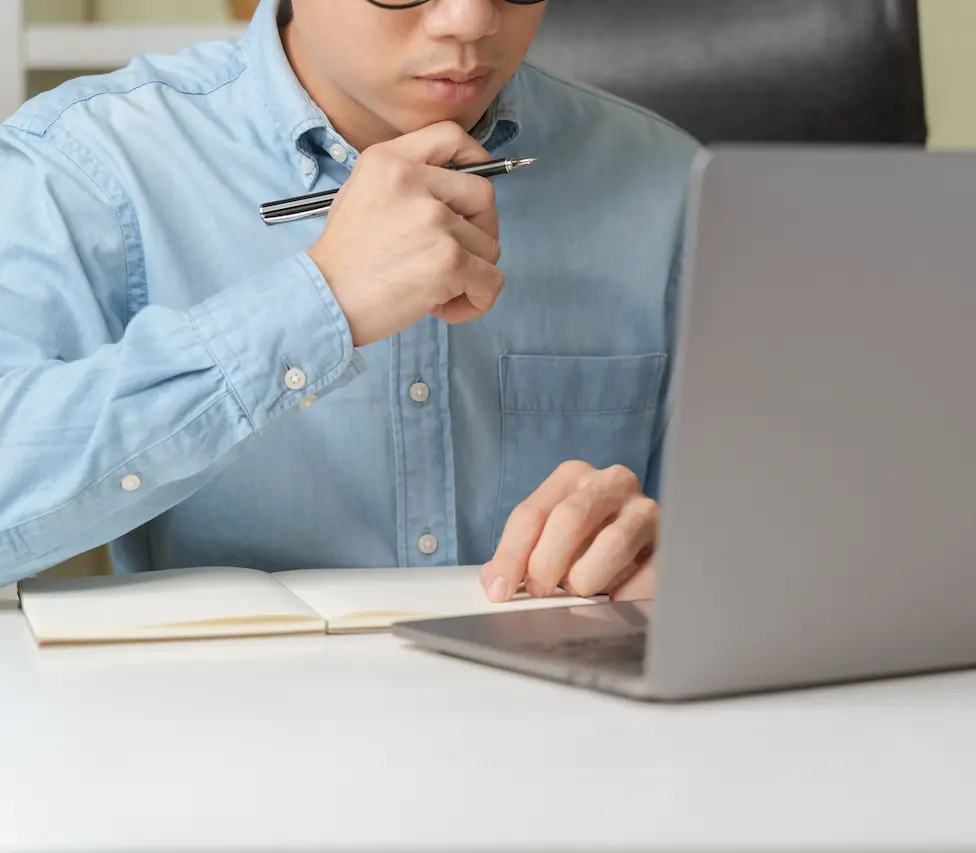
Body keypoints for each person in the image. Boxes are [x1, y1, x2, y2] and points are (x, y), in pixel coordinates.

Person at [0, 0, 699, 603]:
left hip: (583, 740)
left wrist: (683, 565)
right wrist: (319, 304)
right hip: (229, 742)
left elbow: (768, 543)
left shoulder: (670, 185)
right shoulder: (88, 165)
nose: (471, 20)